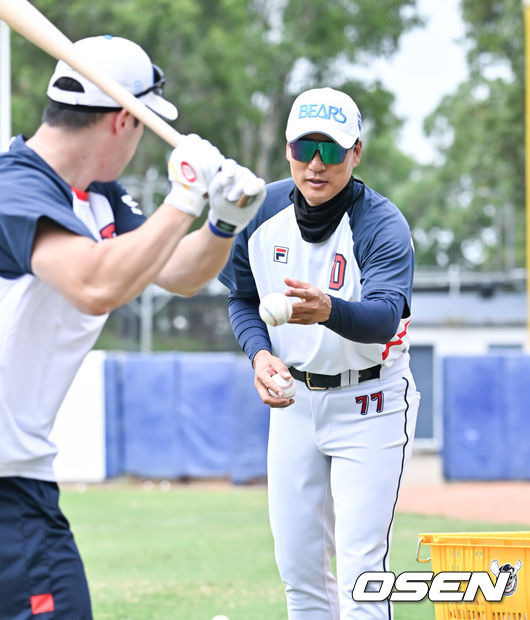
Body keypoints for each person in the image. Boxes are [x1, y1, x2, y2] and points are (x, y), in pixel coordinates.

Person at [0, 35, 265, 619]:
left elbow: (179, 272)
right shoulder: (14, 188)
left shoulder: (99, 199)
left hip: (18, 479)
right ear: (124, 120)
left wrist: (221, 221)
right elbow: (94, 285)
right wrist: (184, 196)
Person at [219, 87, 420, 619]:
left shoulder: (381, 223)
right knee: (300, 572)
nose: (315, 163)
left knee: (361, 575)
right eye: (304, 147)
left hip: (371, 401)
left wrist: (328, 309)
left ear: (356, 152)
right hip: (295, 402)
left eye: (331, 150)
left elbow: (384, 318)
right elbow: (241, 296)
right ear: (286, 148)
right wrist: (259, 354)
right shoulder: (260, 210)